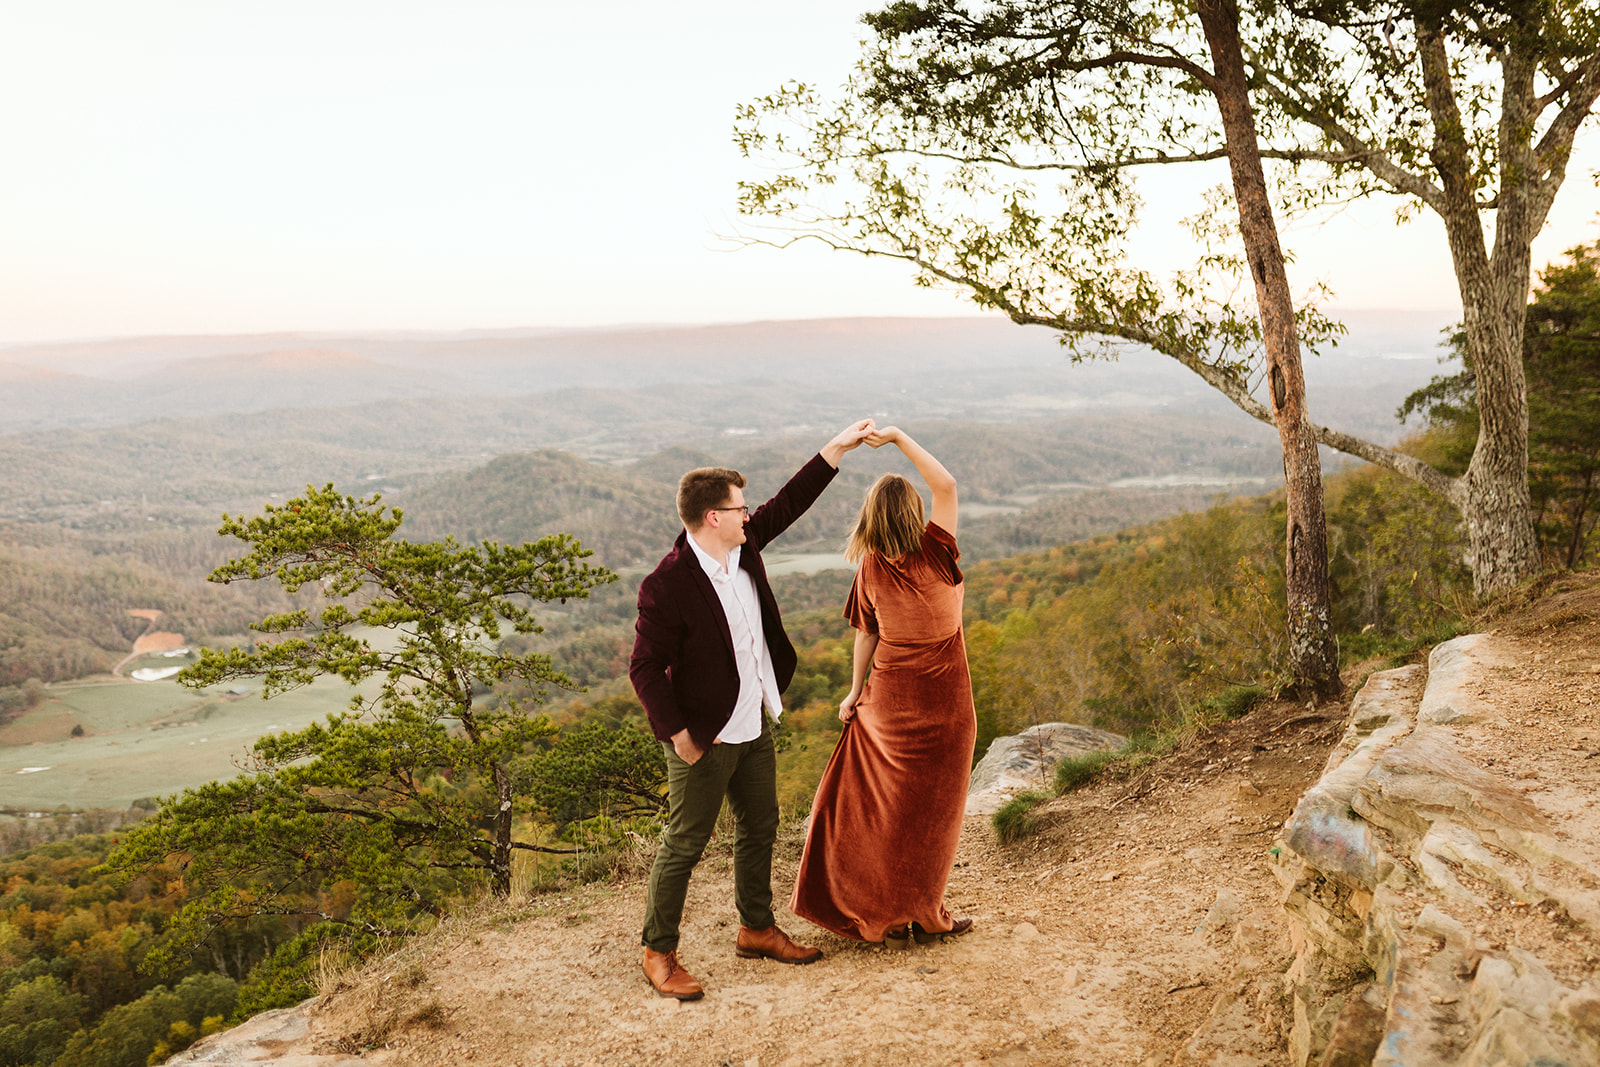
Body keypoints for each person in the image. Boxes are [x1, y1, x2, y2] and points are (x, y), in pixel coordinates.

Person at [630, 418, 876, 1000]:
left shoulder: (744, 547)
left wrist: (835, 449)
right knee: (686, 842)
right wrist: (681, 735)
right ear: (713, 517)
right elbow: (642, 669)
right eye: (740, 508)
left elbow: (789, 501)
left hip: (753, 723)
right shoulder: (667, 584)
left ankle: (756, 928)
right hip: (707, 737)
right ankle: (658, 952)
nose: (750, 514)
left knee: (759, 826)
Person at [790, 426, 977, 948]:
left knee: (879, 809)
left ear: (871, 518)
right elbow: (949, 485)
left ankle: (877, 911)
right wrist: (897, 438)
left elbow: (865, 635)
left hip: (889, 703)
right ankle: (926, 913)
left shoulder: (870, 566)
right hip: (946, 703)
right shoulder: (937, 550)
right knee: (934, 815)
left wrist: (854, 694)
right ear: (913, 513)